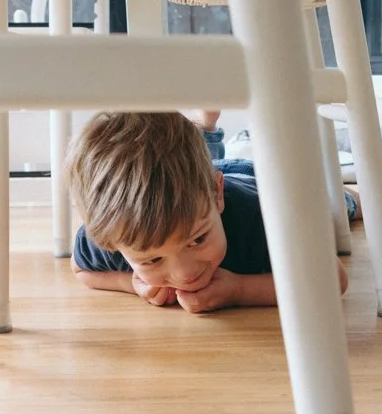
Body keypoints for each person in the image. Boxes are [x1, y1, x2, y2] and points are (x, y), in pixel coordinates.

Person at [65, 111, 360, 313]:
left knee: (331, 209)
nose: (185, 273)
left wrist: (239, 290)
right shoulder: (117, 227)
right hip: (206, 181)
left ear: (217, 197)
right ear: (109, 244)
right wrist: (129, 283)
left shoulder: (262, 219)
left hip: (265, 185)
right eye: (152, 259)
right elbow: (81, 270)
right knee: (200, 170)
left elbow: (332, 280)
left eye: (197, 239)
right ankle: (205, 130)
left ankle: (347, 196)